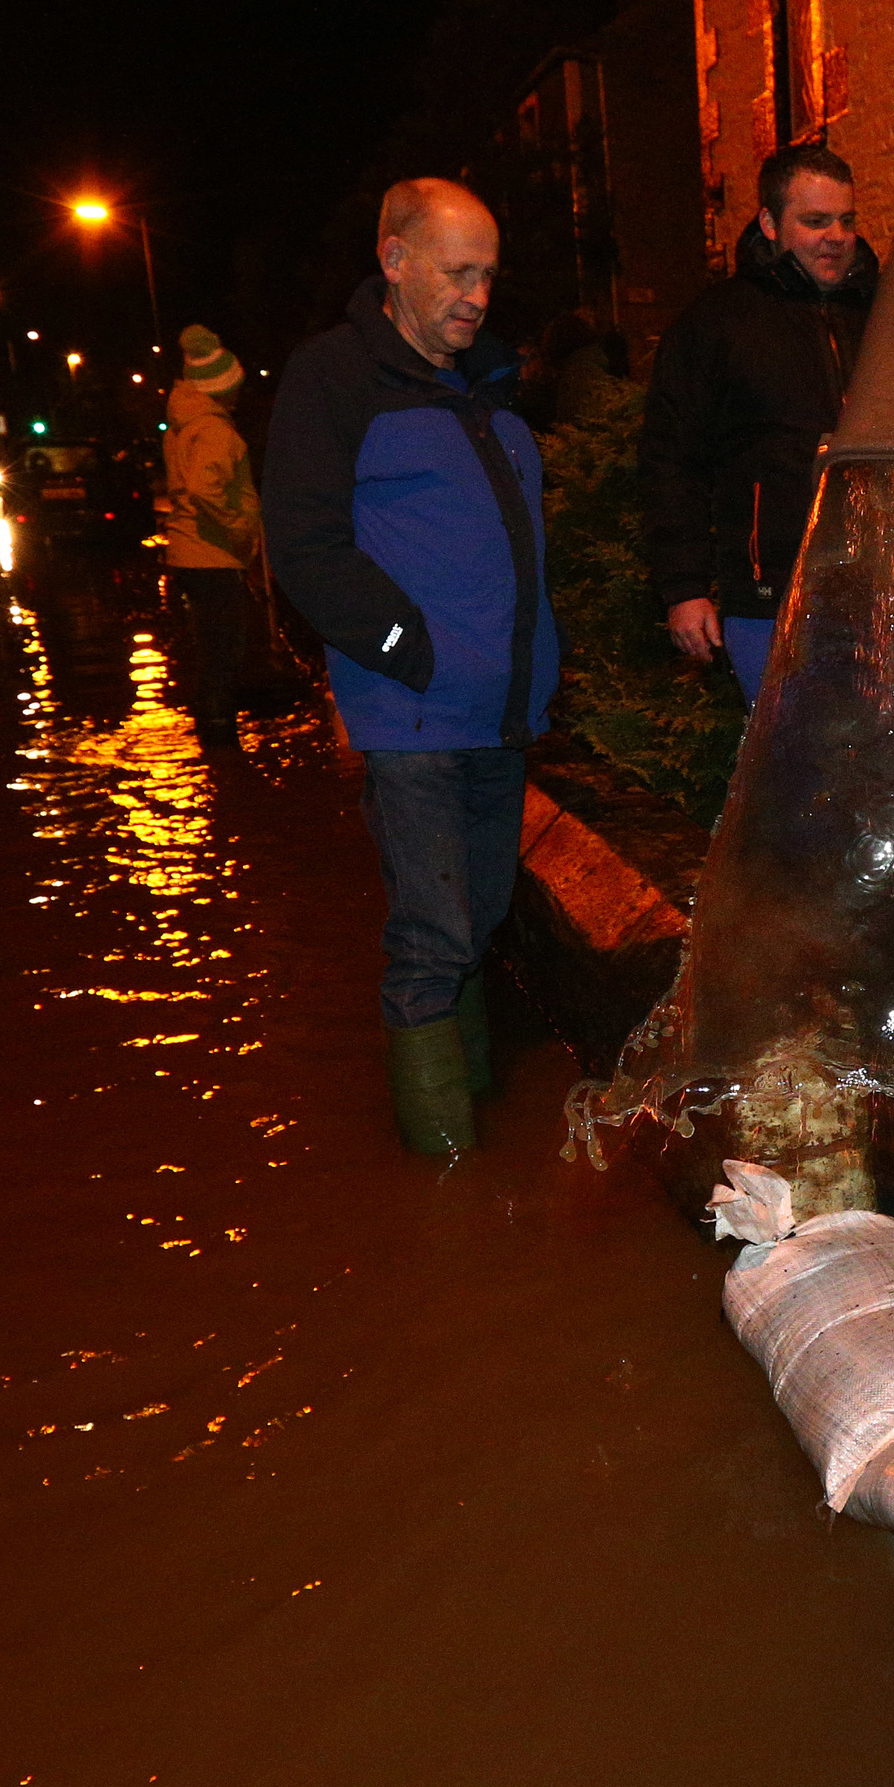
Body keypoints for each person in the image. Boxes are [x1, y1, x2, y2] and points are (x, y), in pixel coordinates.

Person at [267, 179, 560, 1155]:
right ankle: (449, 1184)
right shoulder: (335, 378)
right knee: (434, 937)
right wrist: (412, 653)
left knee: (479, 922)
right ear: (394, 259)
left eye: (488, 276)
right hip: (416, 719)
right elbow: (305, 550)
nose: (478, 296)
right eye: (457, 272)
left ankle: (473, 1152)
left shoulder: (483, 390)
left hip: (497, 715)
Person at [636, 142, 879, 706]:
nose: (837, 236)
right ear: (770, 223)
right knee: (793, 773)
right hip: (767, 602)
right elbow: (670, 459)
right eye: (815, 221)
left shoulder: (886, 315)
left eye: (846, 220)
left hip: (880, 593)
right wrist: (685, 589)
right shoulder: (718, 323)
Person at [159, 325, 261, 744]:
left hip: (190, 553)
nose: (239, 395)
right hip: (213, 556)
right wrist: (240, 530)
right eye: (235, 386)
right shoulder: (215, 429)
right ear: (222, 387)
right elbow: (205, 488)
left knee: (211, 652)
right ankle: (222, 749)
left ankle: (214, 748)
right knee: (224, 654)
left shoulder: (186, 423)